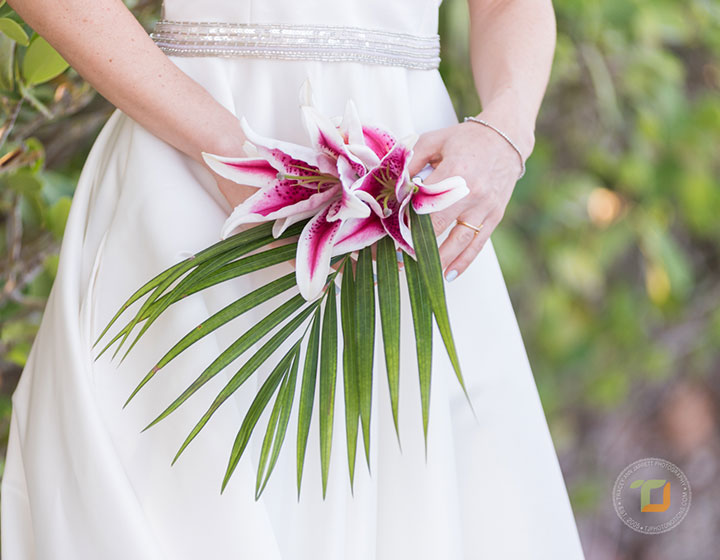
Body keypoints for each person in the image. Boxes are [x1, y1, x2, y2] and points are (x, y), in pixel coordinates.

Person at [1, 0, 586, 558]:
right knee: (174, 497)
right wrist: (229, 150)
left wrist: (506, 132)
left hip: (403, 184)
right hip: (190, 151)